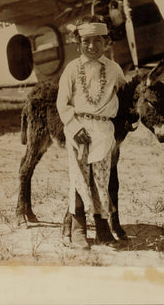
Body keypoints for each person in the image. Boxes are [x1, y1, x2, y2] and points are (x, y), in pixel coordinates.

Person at [56, 15, 126, 249]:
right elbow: (62, 104)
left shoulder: (115, 69)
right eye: (86, 41)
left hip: (104, 132)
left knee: (101, 182)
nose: (92, 46)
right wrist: (74, 128)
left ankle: (103, 228)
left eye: (98, 41)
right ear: (78, 42)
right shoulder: (72, 69)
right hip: (80, 131)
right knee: (80, 181)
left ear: (106, 42)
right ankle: (78, 231)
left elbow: (125, 96)